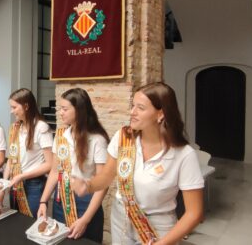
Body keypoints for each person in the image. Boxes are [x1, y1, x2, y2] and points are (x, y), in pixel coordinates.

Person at [72, 82, 204, 245]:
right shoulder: (123, 137)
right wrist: (88, 185)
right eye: (133, 106)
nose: (132, 112)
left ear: (160, 114)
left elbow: (194, 212)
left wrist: (162, 243)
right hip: (121, 219)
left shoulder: (184, 155)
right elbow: (106, 176)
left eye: (140, 108)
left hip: (158, 228)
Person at [37, 88, 109, 242]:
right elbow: (55, 172)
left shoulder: (97, 140)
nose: (60, 113)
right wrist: (43, 201)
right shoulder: (62, 135)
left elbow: (103, 184)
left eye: (64, 109)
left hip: (85, 202)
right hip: (61, 200)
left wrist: (85, 219)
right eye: (59, 108)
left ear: (80, 110)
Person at [0, 88, 53, 218]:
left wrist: (23, 176)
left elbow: (50, 164)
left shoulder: (41, 127)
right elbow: (11, 159)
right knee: (15, 221)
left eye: (14, 107)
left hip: (33, 185)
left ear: (26, 106)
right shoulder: (16, 127)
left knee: (31, 222)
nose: (11, 111)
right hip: (16, 182)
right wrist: (3, 187)